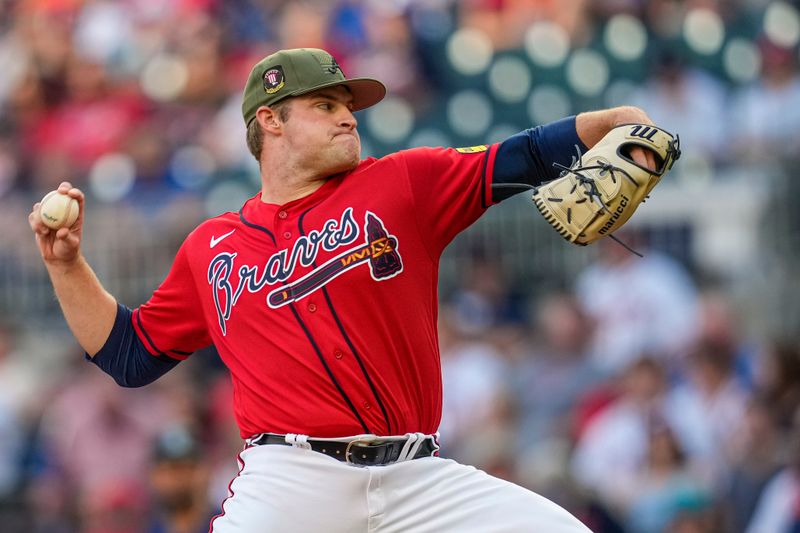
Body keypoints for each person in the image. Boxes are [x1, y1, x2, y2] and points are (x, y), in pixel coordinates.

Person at [29, 47, 659, 532]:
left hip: (419, 478)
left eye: (348, 106)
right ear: (270, 121)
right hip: (290, 480)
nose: (347, 117)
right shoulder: (211, 247)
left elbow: (524, 154)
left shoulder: (404, 183)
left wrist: (620, 120)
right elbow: (129, 355)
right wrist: (67, 267)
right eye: (325, 106)